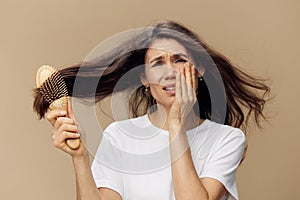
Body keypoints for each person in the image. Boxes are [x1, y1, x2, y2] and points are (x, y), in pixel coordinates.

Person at [33, 20, 270, 200]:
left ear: (198, 70)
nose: (170, 72)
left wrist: (176, 123)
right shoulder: (119, 136)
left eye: (179, 60)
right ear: (145, 79)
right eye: (158, 63)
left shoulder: (227, 139)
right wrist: (80, 158)